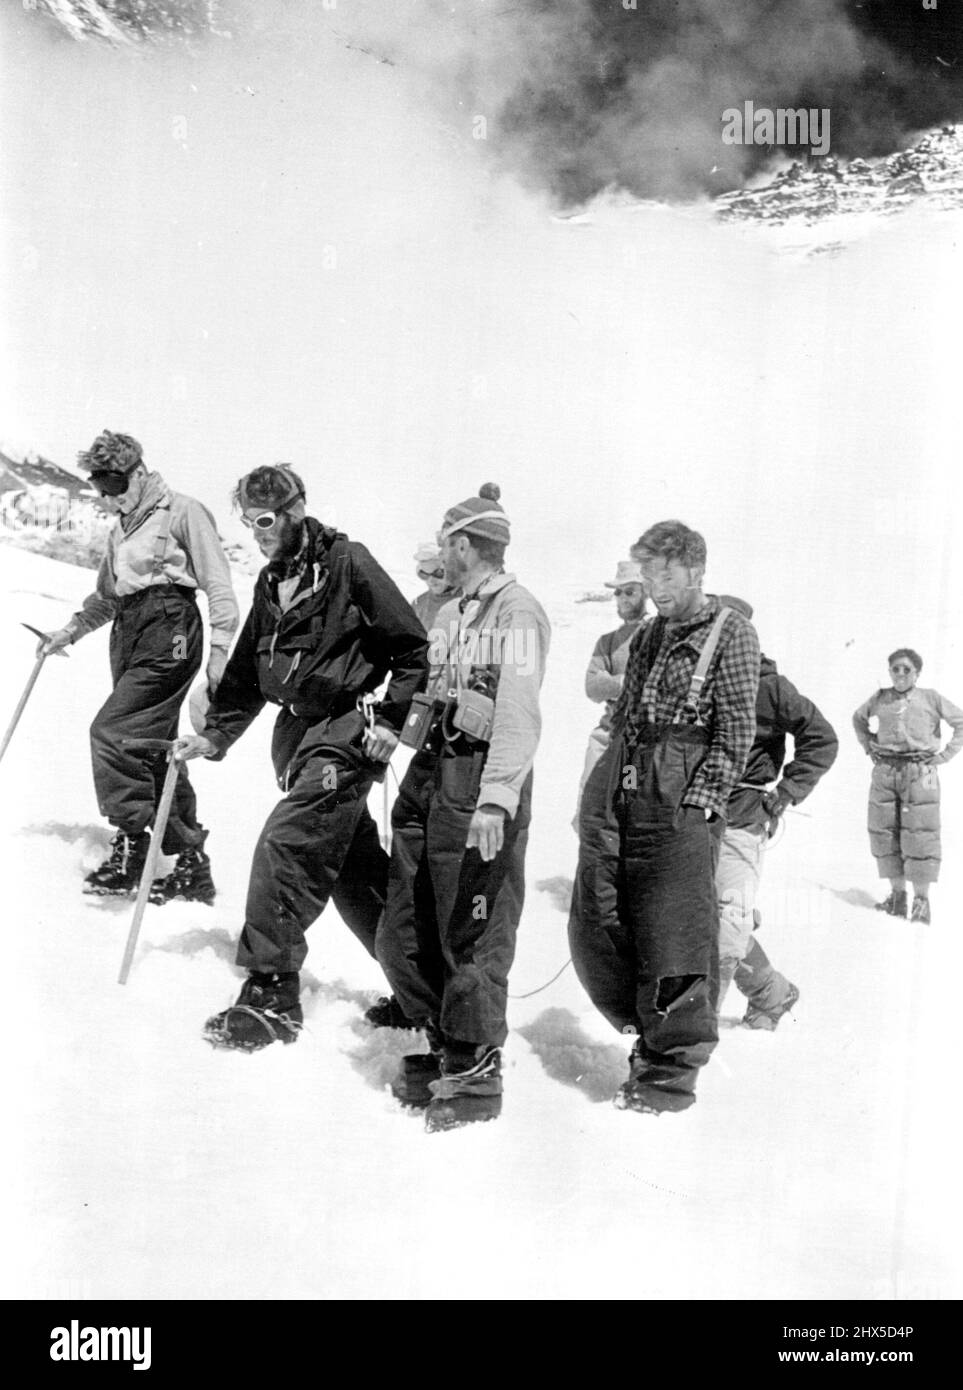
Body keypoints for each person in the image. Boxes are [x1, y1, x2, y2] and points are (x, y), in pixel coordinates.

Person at [174, 464, 429, 1050]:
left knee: (288, 844)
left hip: (348, 732)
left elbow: (413, 650)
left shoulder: (348, 563)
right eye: (248, 521)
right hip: (298, 739)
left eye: (265, 520)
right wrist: (213, 736)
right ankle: (428, 996)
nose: (257, 532)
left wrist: (393, 722)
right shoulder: (271, 582)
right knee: (352, 871)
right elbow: (243, 676)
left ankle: (272, 996)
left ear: (295, 510)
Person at [375, 483, 550, 1131]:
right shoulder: (451, 614)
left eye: (446, 544)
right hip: (431, 771)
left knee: (472, 920)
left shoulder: (516, 614)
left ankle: (476, 1066)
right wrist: (399, 736)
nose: (439, 556)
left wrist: (498, 796)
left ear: (465, 544)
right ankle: (447, 1040)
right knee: (407, 918)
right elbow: (432, 693)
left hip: (480, 775)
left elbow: (517, 711)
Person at [569, 520, 759, 1115]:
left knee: (675, 933)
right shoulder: (650, 633)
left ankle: (667, 1078)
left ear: (697, 570)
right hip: (629, 774)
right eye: (648, 574)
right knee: (598, 911)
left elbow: (735, 729)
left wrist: (703, 800)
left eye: (667, 573)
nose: (656, 586)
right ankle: (642, 1031)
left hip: (684, 789)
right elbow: (624, 712)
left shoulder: (732, 632)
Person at [39, 430, 239, 902]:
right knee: (148, 746)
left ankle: (131, 843)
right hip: (128, 632)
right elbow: (108, 598)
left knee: (112, 732)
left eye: (115, 483)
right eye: (100, 487)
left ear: (140, 472)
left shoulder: (183, 511)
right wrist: (67, 632)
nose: (108, 496)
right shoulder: (121, 529)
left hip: (170, 628)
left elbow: (219, 584)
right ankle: (190, 862)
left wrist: (220, 655)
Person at [714, 596, 838, 1029]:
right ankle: (771, 993)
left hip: (743, 815)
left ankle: (691, 1036)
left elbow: (822, 738)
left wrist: (785, 792)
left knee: (728, 920)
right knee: (697, 914)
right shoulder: (691, 681)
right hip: (688, 819)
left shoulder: (770, 686)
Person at [853, 648, 963, 923]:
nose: (900, 674)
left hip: (922, 770)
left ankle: (922, 902)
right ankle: (898, 896)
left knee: (921, 833)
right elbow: (858, 719)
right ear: (889, 671)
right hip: (886, 769)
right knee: (884, 829)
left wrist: (944, 755)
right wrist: (869, 746)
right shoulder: (881, 698)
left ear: (917, 673)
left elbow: (960, 722)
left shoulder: (931, 698)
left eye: (906, 669)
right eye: (895, 669)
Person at [573, 560, 648, 827]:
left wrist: (614, 682)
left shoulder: (656, 634)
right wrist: (627, 682)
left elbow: (654, 686)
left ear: (646, 591)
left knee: (628, 806)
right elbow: (592, 687)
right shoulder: (607, 641)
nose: (622, 598)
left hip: (634, 747)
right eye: (618, 592)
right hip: (605, 739)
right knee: (588, 808)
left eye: (630, 591)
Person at [411, 542, 459, 632]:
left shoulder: (467, 599)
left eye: (438, 573)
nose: (431, 581)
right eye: (424, 575)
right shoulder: (418, 605)